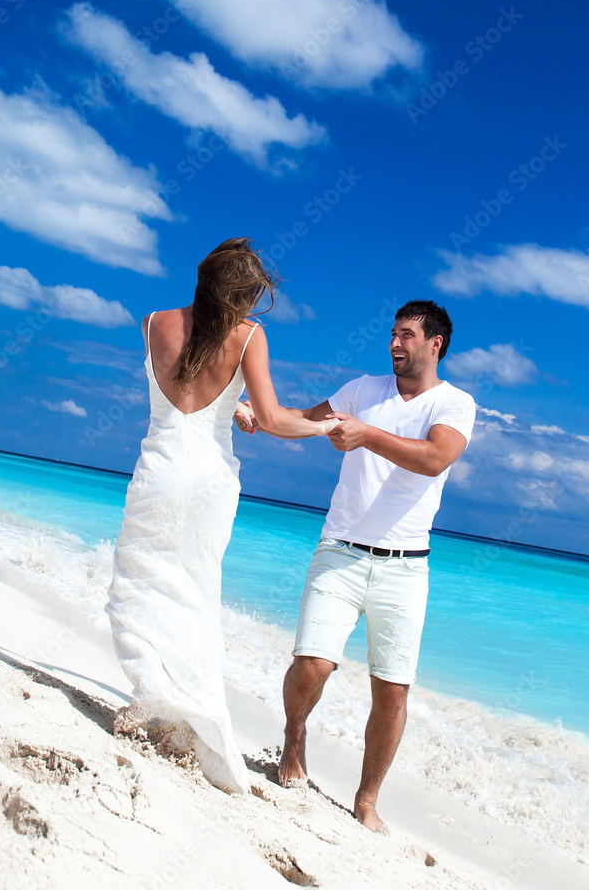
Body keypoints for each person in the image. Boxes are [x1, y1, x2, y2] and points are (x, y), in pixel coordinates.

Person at [107, 238, 339, 795]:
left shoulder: (153, 322)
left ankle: (160, 696)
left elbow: (184, 398)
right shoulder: (247, 337)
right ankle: (201, 721)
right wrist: (325, 426)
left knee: (141, 582)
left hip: (160, 469)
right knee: (198, 591)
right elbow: (274, 418)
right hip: (210, 480)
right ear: (240, 294)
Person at [236, 300, 476, 832]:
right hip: (340, 551)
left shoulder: (456, 404)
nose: (395, 343)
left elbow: (435, 458)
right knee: (312, 666)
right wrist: (261, 416)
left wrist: (367, 435)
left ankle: (366, 800)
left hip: (407, 567)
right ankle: (294, 739)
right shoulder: (363, 390)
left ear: (435, 344)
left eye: (407, 335)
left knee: (392, 689)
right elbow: (305, 420)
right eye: (392, 333)